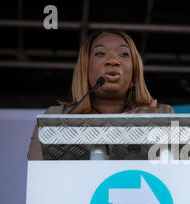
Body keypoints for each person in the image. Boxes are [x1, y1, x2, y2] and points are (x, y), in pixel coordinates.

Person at [27, 29, 174, 160]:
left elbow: (181, 176)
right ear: (85, 70)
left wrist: (151, 128)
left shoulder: (162, 114)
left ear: (134, 75)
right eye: (100, 53)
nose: (113, 61)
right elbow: (38, 178)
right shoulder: (57, 117)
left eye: (123, 54)